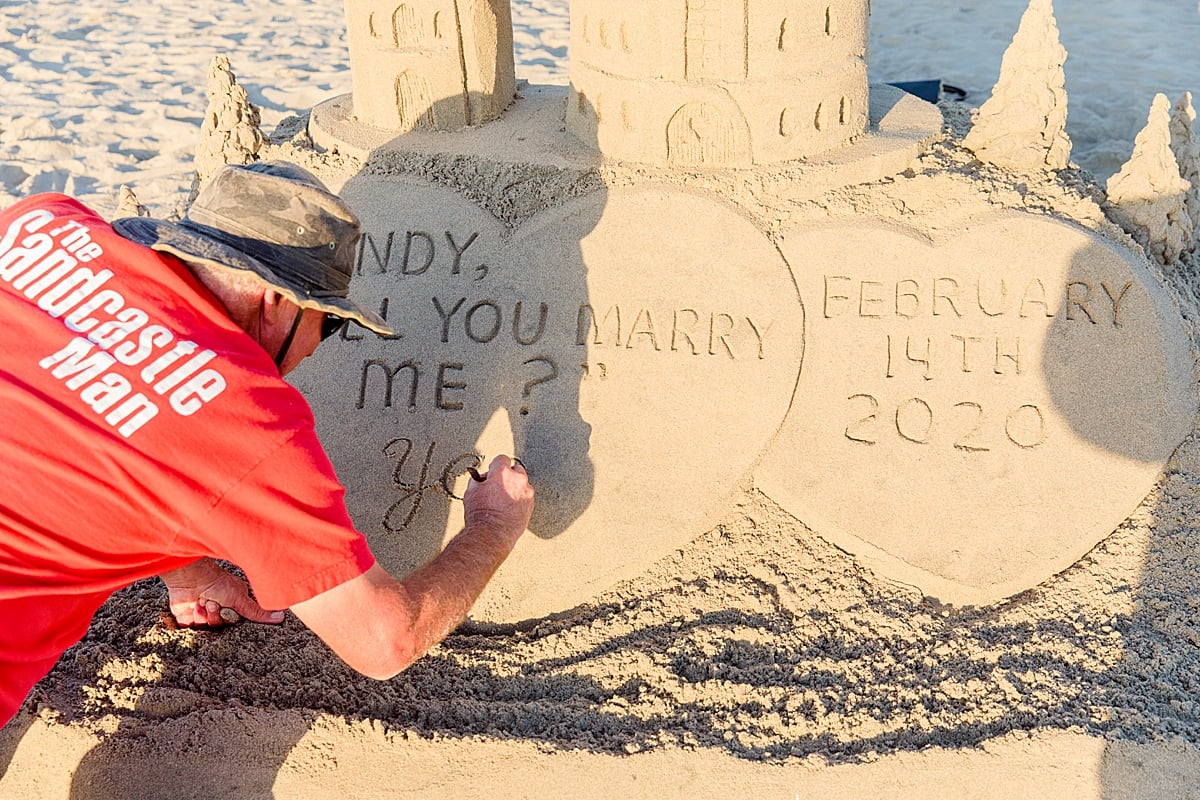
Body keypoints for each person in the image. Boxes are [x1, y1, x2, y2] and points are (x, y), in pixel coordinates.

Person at [0, 161, 535, 726]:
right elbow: (384, 641)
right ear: (277, 300)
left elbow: (84, 415)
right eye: (328, 323)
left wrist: (187, 568)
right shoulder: (247, 426)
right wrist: (493, 527)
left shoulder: (40, 227)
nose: (317, 349)